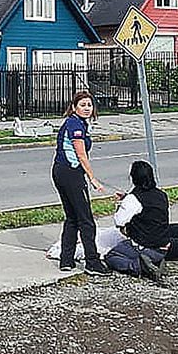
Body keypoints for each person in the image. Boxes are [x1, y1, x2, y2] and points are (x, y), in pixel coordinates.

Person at [52, 90, 111, 275]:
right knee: (86, 220)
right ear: (73, 107)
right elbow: (81, 154)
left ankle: (66, 260)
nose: (87, 108)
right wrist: (92, 178)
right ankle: (92, 262)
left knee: (72, 218)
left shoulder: (80, 124)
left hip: (61, 171)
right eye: (83, 105)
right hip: (70, 173)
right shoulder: (75, 124)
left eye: (89, 105)